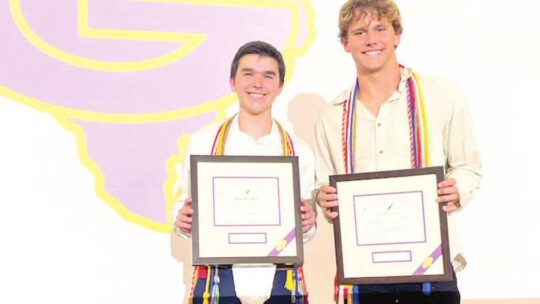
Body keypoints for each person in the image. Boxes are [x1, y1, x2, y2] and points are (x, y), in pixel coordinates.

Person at [314, 0, 482, 303]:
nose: (371, 39)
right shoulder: (331, 116)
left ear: (397, 34)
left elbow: (468, 165)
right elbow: (323, 185)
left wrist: (458, 189)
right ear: (345, 43)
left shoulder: (441, 94)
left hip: (432, 264)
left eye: (380, 28)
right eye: (359, 31)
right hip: (363, 271)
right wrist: (324, 198)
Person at [173, 40, 316, 303]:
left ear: (280, 86)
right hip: (220, 278)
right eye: (248, 73)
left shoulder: (300, 151)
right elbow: (184, 209)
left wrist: (308, 223)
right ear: (232, 82)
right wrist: (182, 221)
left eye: (268, 76)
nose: (257, 83)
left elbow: (304, 229)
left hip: (278, 279)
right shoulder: (203, 142)